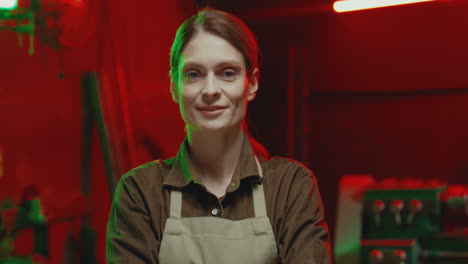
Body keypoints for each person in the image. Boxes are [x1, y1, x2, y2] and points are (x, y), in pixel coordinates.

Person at [106, 8, 331, 264]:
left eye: (227, 73)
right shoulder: (140, 192)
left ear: (252, 84)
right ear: (173, 87)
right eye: (194, 74)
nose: (210, 90)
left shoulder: (290, 187)